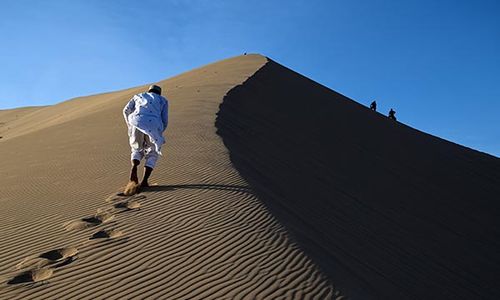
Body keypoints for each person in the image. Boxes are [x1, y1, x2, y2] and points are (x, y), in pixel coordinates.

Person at [123, 84, 168, 189]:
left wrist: (130, 124)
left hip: (136, 122)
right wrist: (159, 133)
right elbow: (165, 119)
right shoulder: (163, 100)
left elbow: (125, 110)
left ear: (149, 91)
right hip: (154, 124)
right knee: (153, 152)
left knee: (136, 149)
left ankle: (134, 168)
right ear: (159, 93)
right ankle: (144, 181)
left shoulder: (138, 96)